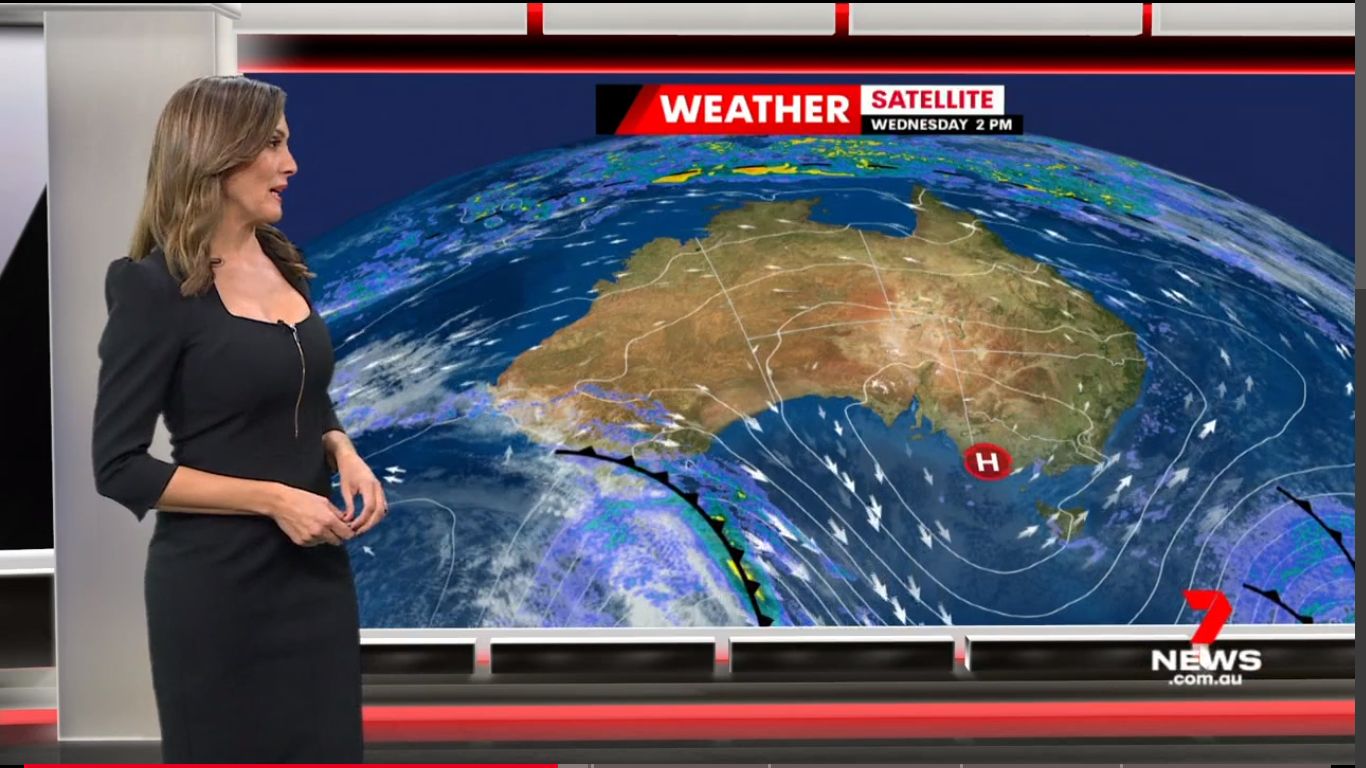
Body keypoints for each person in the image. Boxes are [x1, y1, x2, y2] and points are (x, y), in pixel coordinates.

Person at [91, 75, 387, 763]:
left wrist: (341, 449)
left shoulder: (286, 263)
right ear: (217, 153)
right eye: (273, 144)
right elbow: (119, 467)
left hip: (314, 577)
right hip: (216, 592)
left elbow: (298, 392)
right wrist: (276, 499)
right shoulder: (152, 288)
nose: (292, 164)